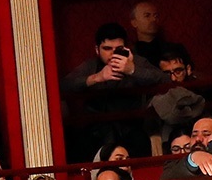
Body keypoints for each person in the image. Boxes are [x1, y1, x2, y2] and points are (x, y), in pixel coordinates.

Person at [61, 23, 161, 158]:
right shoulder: (91, 65)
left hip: (132, 126)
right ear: (97, 50)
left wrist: (132, 70)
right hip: (96, 130)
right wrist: (96, 78)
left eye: (118, 49)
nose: (113, 54)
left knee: (140, 140)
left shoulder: (136, 62)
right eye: (107, 48)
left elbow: (164, 80)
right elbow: (63, 86)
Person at [150, 44, 207, 147]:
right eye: (167, 74)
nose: (173, 78)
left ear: (188, 69)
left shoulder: (202, 88)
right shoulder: (157, 94)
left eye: (178, 71)